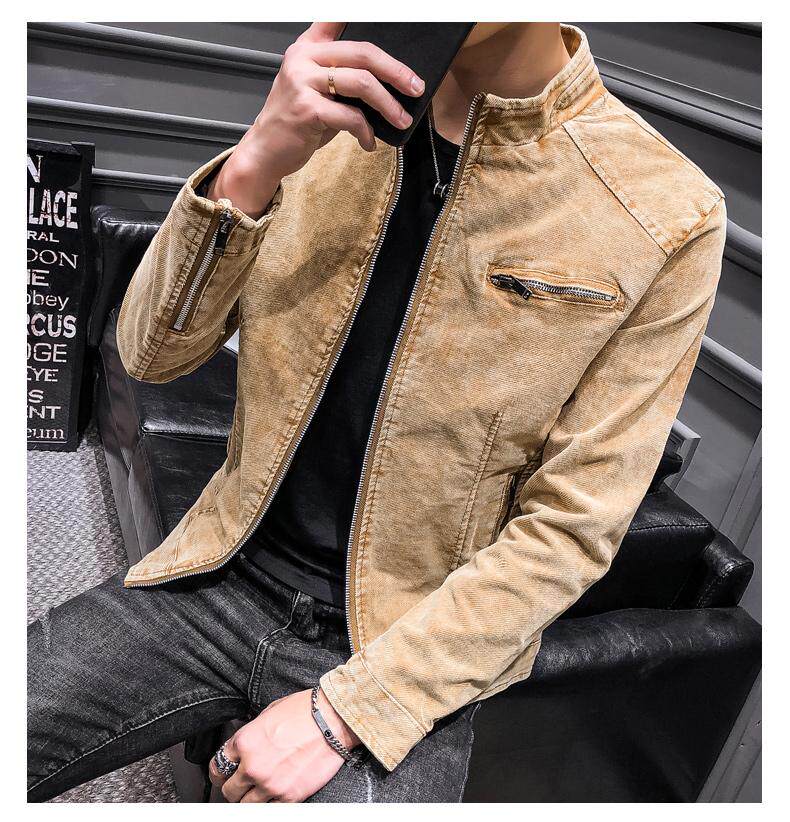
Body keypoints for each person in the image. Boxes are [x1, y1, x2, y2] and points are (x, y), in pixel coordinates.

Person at [28, 22, 726, 803]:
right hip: (220, 571)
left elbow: (571, 530)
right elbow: (151, 355)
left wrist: (348, 711)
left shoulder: (662, 209)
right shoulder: (325, 114)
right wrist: (257, 158)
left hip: (405, 643)